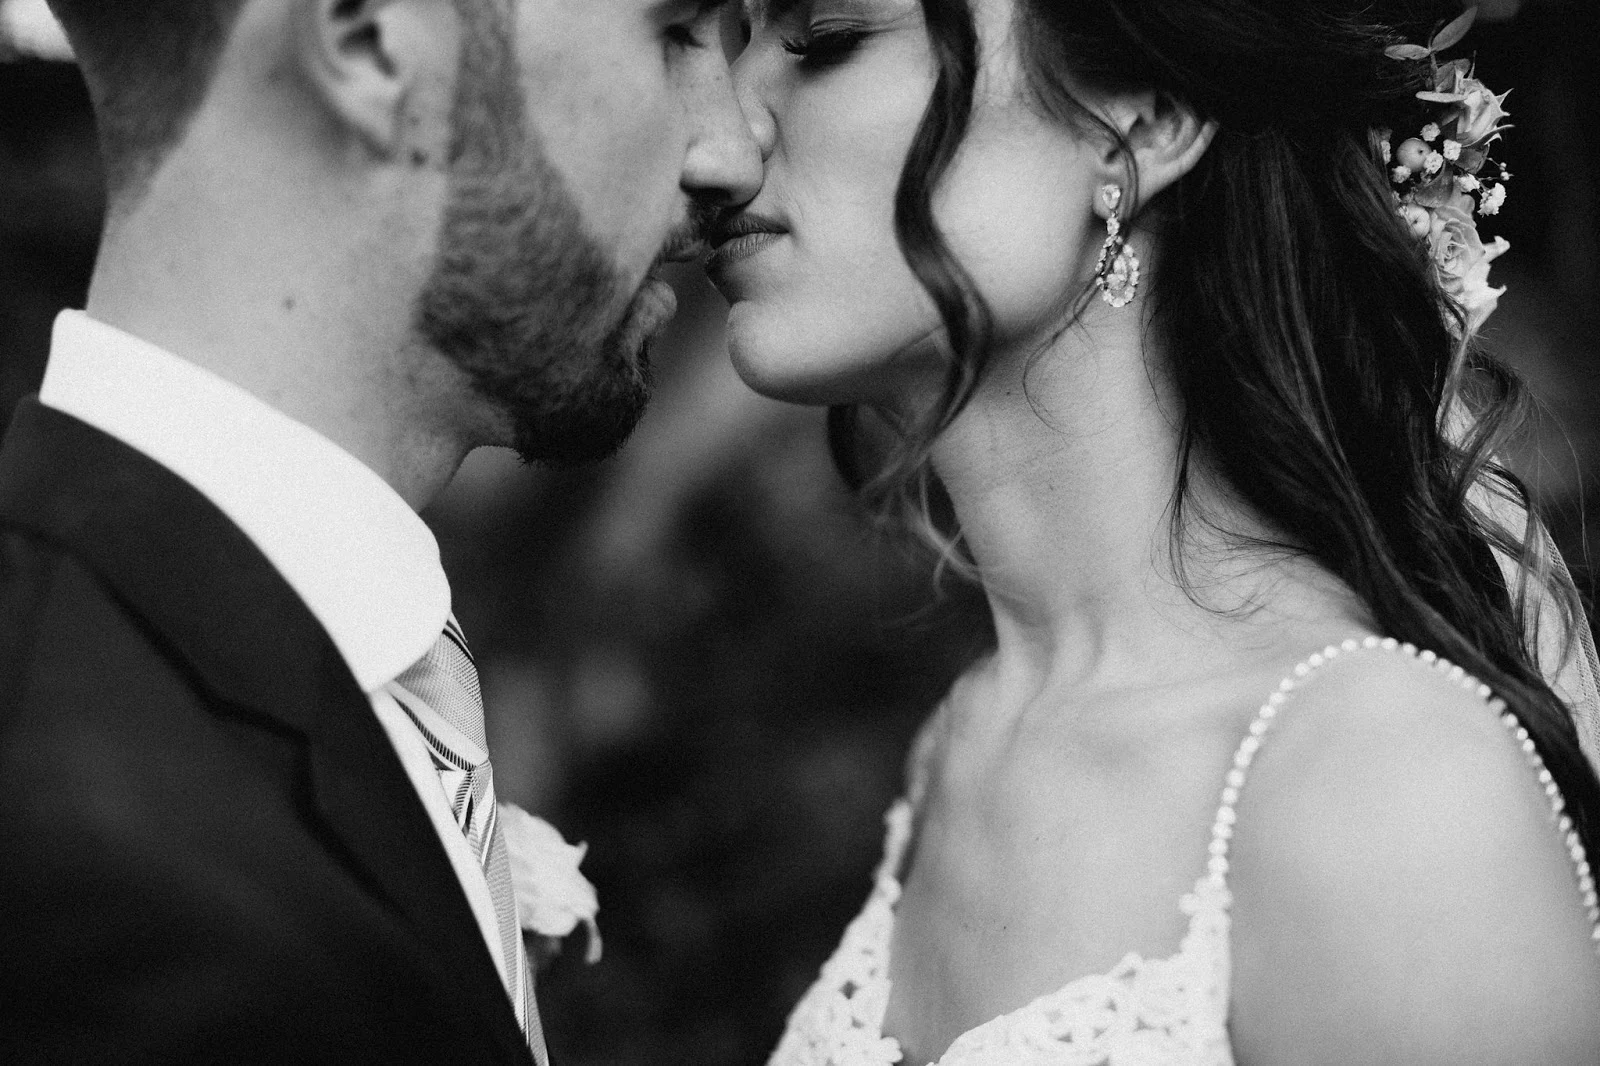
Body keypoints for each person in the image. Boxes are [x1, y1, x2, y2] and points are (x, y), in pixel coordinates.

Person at [706, 0, 1600, 1062]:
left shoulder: (1384, 790)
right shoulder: (962, 742)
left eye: (826, 37)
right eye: (733, 41)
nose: (717, 135)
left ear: (1144, 119)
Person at [0, 0, 759, 1062]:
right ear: (366, 42)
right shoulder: (98, 871)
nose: (734, 151)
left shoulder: (168, 687)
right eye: (673, 32)